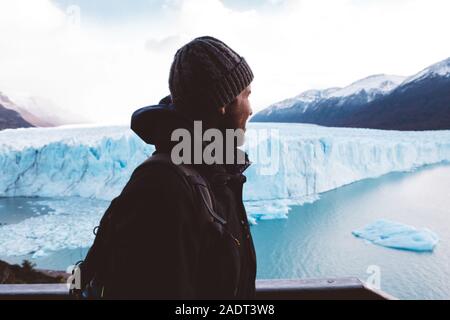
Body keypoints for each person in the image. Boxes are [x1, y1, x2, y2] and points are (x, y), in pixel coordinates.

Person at [82, 36, 256, 299]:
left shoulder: (215, 175)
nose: (251, 109)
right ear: (223, 102)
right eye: (246, 95)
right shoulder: (162, 188)